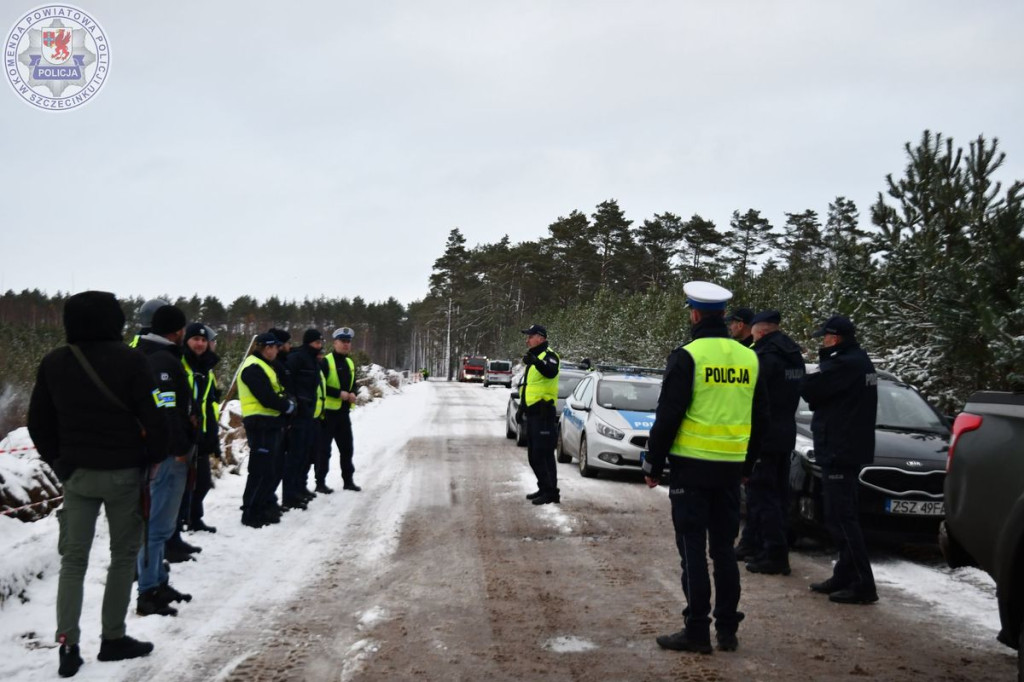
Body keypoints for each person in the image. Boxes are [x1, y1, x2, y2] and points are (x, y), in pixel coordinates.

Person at [27, 291, 164, 677]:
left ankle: (68, 646)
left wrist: (59, 464)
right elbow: (153, 418)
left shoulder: (54, 362)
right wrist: (153, 459)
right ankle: (113, 639)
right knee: (122, 558)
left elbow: (39, 422)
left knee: (73, 562)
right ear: (114, 320)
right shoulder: (132, 360)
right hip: (124, 473)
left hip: (77, 474)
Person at [642, 281, 768, 654]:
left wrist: (653, 461)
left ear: (695, 314)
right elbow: (762, 418)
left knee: (693, 550)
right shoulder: (749, 357)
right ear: (723, 316)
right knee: (724, 551)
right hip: (730, 470)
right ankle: (727, 629)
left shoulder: (687, 355)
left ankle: (697, 629)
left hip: (691, 470)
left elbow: (668, 416)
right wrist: (747, 463)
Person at [800, 315, 879, 604]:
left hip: (840, 447)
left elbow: (810, 389)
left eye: (825, 337)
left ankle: (863, 583)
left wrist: (812, 371)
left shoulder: (845, 363)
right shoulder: (859, 360)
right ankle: (845, 573)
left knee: (842, 517)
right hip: (846, 445)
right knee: (842, 514)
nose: (823, 341)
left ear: (835, 338)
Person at [134, 304, 197, 617]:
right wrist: (179, 447)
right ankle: (148, 591)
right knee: (157, 527)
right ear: (178, 331)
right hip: (169, 455)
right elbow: (167, 409)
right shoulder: (162, 361)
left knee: (158, 525)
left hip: (161, 452)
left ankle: (158, 579)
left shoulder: (154, 355)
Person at [743, 310, 805, 576]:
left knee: (763, 495)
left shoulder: (764, 356)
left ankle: (775, 554)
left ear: (761, 330)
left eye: (754, 331)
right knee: (777, 494)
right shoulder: (793, 355)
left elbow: (753, 398)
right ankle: (758, 546)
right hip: (785, 433)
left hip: (765, 435)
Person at [238, 333, 295, 528]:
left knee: (270, 469)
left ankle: (261, 507)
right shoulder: (253, 366)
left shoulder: (266, 365)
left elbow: (277, 391)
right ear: (260, 347)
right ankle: (250, 512)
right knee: (260, 470)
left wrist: (287, 402)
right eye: (268, 347)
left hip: (270, 423)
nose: (272, 351)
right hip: (259, 423)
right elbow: (266, 396)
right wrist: (286, 406)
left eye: (274, 347)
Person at [178, 323, 221, 535]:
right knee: (182, 484)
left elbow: (210, 404)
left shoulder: (206, 369)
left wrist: (213, 436)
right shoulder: (180, 363)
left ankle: (194, 517)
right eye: (196, 339)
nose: (200, 343)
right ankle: (180, 522)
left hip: (201, 433)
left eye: (204, 340)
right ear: (186, 340)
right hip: (182, 435)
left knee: (202, 482)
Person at [518, 324, 561, 505]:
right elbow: (528, 386)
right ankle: (547, 489)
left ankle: (550, 491)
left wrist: (536, 361)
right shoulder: (534, 357)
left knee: (540, 455)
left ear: (541, 338)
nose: (527, 339)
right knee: (537, 455)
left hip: (544, 413)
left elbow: (550, 372)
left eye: (530, 336)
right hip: (533, 413)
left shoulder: (549, 356)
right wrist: (522, 408)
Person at [284, 328, 325, 508]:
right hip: (297, 414)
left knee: (305, 456)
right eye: (317, 343)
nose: (320, 346)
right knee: (294, 456)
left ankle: (300, 488)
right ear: (309, 342)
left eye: (321, 343)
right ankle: (289, 496)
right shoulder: (298, 357)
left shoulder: (314, 360)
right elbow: (288, 380)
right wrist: (294, 402)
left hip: (309, 414)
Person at [318, 327, 361, 492]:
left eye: (348, 342)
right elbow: (319, 386)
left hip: (343, 414)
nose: (346, 345)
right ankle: (320, 483)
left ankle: (348, 481)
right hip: (327, 414)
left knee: (347, 449)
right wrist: (338, 394)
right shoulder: (326, 362)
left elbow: (354, 384)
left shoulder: (349, 362)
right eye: (342, 341)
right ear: (334, 343)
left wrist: (353, 393)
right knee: (324, 451)